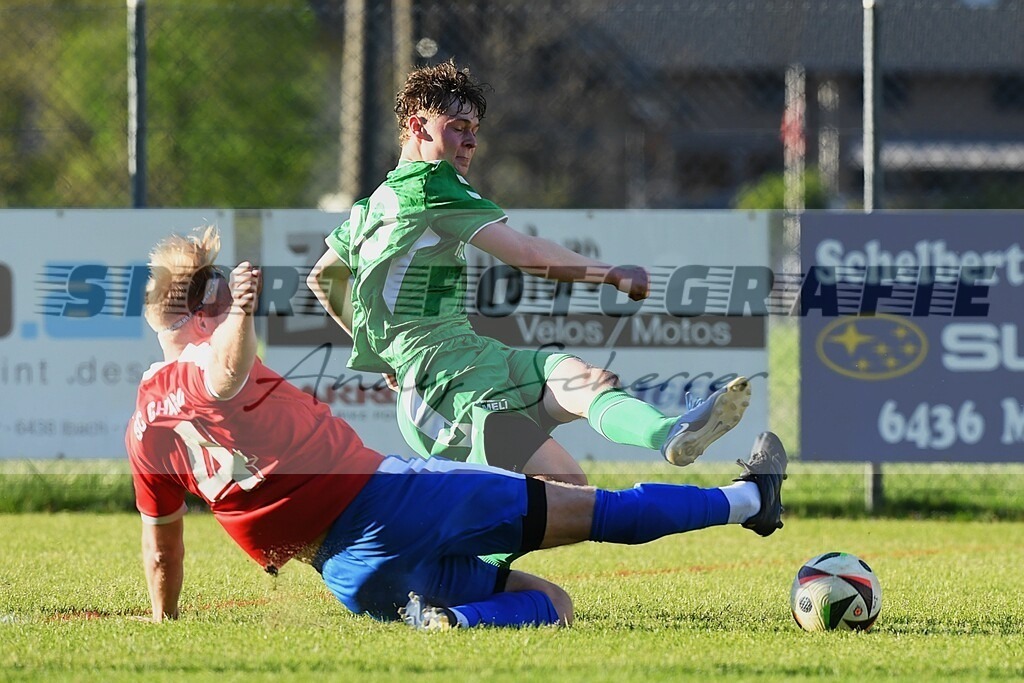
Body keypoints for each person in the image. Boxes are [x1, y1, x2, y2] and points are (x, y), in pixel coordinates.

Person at [127, 226, 787, 628]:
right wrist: (242, 310)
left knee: (552, 603)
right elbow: (222, 376)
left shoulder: (142, 427)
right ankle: (752, 501)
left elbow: (162, 548)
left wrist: (165, 622)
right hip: (393, 503)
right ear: (206, 307)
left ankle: (452, 623)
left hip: (345, 574)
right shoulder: (211, 353)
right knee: (594, 509)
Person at [308, 60, 751, 488]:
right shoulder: (433, 183)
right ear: (417, 127)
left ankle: (670, 432)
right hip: (443, 387)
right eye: (457, 128)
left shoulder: (373, 203)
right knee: (565, 487)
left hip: (475, 359)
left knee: (582, 379)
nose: (469, 142)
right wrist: (610, 272)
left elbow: (324, 278)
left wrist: (385, 354)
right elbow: (527, 253)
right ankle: (470, 567)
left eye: (475, 131)